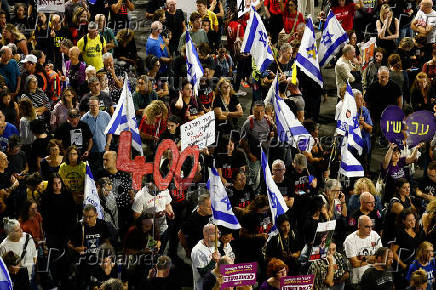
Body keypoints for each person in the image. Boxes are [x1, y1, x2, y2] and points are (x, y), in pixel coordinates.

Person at [68, 204, 112, 288]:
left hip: (98, 259)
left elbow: (107, 242)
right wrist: (76, 248)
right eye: (85, 217)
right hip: (84, 261)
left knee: (103, 283)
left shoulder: (102, 224)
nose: (87, 220)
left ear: (96, 215)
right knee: (83, 284)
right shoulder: (79, 226)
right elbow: (68, 243)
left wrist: (108, 257)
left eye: (90, 217)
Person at [240, 101, 274, 192]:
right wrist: (250, 155)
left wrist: (271, 135)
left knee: (265, 176)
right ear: (252, 111)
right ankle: (253, 195)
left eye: (262, 111)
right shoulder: (248, 123)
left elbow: (273, 133)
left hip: (266, 154)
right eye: (256, 111)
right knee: (255, 178)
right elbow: (242, 141)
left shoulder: (268, 121)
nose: (259, 114)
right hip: (254, 156)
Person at [343, 215, 383, 286]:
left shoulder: (375, 235)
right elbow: (355, 264)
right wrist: (372, 258)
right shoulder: (349, 240)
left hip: (375, 276)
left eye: (371, 226)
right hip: (358, 279)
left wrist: (364, 259)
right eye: (367, 227)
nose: (370, 229)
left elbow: (381, 257)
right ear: (359, 226)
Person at [0, 218, 37, 282]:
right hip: (17, 280)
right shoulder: (3, 246)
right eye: (17, 230)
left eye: (20, 228)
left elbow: (34, 255)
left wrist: (32, 268)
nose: (21, 231)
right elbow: (2, 269)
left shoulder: (27, 237)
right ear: (9, 233)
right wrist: (11, 268)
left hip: (32, 275)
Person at [80, 96, 112, 170]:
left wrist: (108, 144)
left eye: (95, 105)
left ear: (99, 105)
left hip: (103, 149)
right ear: (89, 106)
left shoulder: (106, 115)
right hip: (91, 152)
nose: (94, 108)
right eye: (92, 106)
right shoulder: (84, 118)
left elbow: (109, 132)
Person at [179, 193, 213, 258]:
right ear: (200, 207)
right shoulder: (191, 221)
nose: (213, 209)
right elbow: (180, 234)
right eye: (209, 207)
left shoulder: (208, 212)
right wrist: (187, 250)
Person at [191, 224, 221, 290]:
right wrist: (213, 261)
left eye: (219, 233)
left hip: (215, 284)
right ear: (207, 236)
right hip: (203, 286)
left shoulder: (213, 244)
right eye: (215, 234)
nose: (218, 236)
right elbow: (203, 273)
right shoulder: (197, 251)